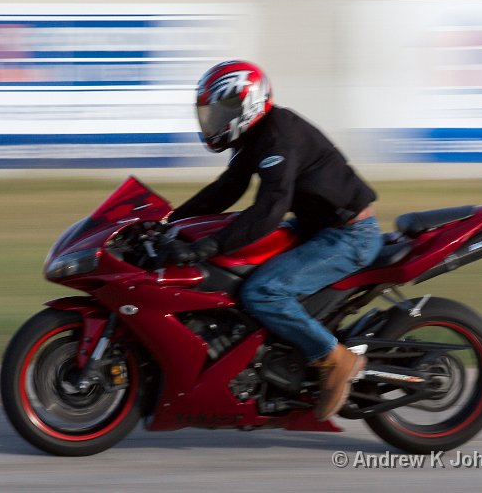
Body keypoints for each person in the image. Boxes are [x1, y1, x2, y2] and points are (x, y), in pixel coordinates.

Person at [163, 60, 383, 421]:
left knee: (262, 292)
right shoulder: (256, 137)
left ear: (246, 104)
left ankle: (335, 358)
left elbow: (268, 210)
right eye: (210, 113)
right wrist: (170, 224)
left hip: (348, 236)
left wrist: (211, 244)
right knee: (234, 275)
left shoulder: (278, 136)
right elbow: (226, 190)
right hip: (316, 228)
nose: (212, 120)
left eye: (220, 111)